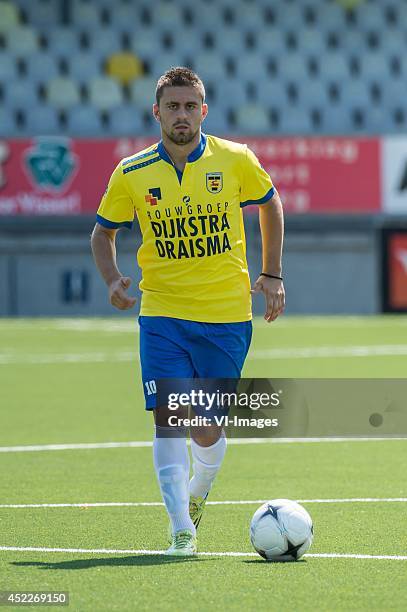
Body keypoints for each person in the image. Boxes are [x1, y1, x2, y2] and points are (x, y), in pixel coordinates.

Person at [91, 67, 285, 556]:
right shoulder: (131, 172)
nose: (182, 115)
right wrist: (113, 278)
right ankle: (181, 528)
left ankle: (199, 489)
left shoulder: (236, 159)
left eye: (190, 106)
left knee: (207, 424)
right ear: (156, 112)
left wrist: (273, 274)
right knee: (168, 416)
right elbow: (102, 232)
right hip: (162, 314)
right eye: (172, 107)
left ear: (204, 110)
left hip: (226, 315)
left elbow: (270, 203)